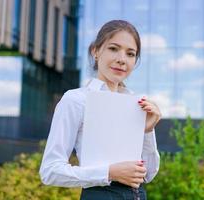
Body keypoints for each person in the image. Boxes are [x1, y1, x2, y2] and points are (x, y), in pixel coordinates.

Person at [39, 20, 161, 200]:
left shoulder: (136, 104)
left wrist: (148, 130)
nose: (121, 59)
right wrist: (108, 173)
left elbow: (148, 174)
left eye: (130, 53)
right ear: (95, 51)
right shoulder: (77, 100)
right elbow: (50, 171)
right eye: (113, 48)